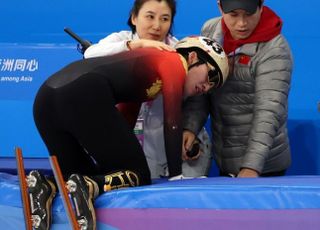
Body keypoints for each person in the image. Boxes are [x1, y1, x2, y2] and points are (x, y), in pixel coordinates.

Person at [29, 36, 229, 230]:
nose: (206, 87)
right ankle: (85, 186)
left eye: (213, 86)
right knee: (139, 174)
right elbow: (172, 120)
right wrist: (177, 177)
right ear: (192, 57)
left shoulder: (144, 72)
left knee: (80, 176)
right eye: (210, 76)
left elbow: (125, 119)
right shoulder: (174, 62)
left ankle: (45, 186)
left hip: (45, 98)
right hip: (81, 94)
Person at [84, 0, 213, 179]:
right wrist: (139, 45)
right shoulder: (121, 41)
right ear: (134, 17)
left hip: (172, 146)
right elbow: (90, 54)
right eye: (150, 17)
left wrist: (190, 129)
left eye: (165, 19)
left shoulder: (178, 50)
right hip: (130, 140)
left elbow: (197, 98)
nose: (156, 26)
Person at [182, 0, 293, 178]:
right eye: (233, 15)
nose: (241, 23)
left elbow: (268, 113)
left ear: (261, 6)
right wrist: (190, 128)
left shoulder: (275, 49)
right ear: (220, 7)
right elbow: (201, 91)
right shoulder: (210, 31)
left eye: (249, 14)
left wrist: (252, 167)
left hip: (264, 167)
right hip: (225, 160)